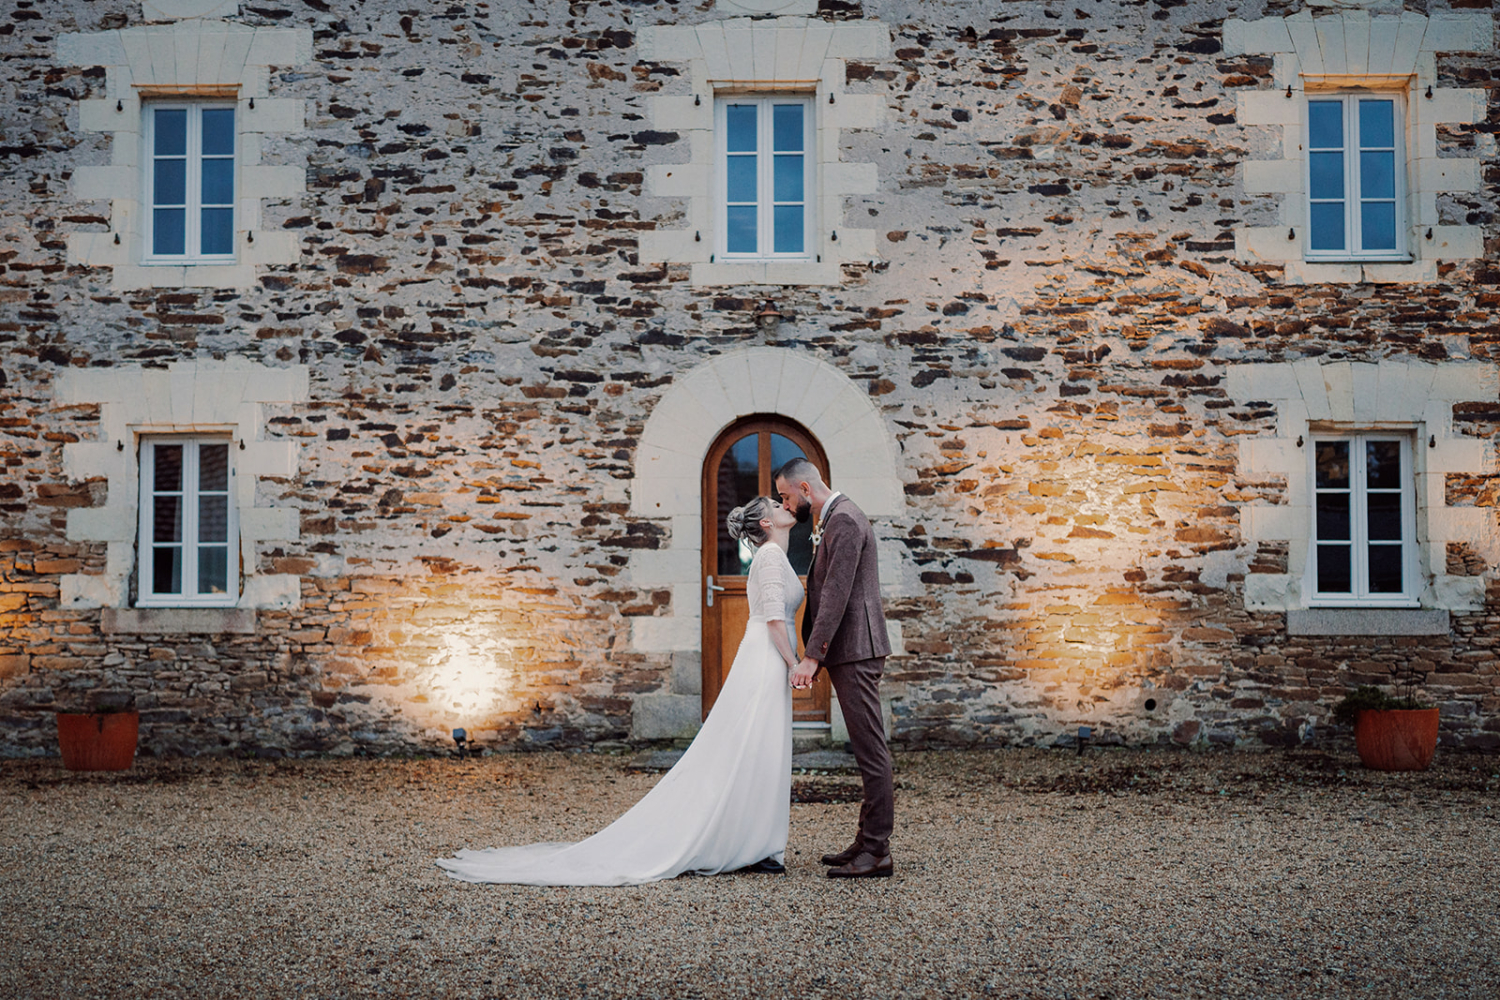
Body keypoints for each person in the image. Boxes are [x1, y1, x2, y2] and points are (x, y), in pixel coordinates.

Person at [436, 496, 802, 886]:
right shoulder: (769, 557)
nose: (783, 506)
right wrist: (795, 664)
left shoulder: (773, 555)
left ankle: (754, 840)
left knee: (760, 746)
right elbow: (774, 619)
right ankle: (752, 843)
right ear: (766, 523)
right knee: (755, 744)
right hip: (766, 657)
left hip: (767, 656)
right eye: (775, 505)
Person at [773, 457, 895, 879]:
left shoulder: (843, 519)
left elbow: (837, 594)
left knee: (870, 751)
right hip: (852, 648)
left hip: (857, 649)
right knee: (866, 749)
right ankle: (866, 841)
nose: (785, 506)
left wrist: (812, 656)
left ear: (805, 489)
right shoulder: (837, 516)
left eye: (786, 496)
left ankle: (876, 851)